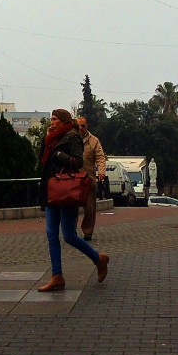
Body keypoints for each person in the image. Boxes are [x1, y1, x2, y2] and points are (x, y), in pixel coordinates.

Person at [37, 109, 108, 292]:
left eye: (54, 119)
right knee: (51, 234)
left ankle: (98, 259)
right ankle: (57, 276)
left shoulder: (72, 137)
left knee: (69, 235)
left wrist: (58, 155)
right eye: (51, 119)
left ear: (64, 121)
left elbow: (77, 162)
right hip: (52, 190)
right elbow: (42, 162)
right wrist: (47, 143)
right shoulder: (51, 137)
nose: (51, 122)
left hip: (66, 191)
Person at [76, 117, 106, 241]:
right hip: (73, 179)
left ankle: (88, 231)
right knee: (71, 207)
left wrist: (101, 171)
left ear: (87, 126)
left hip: (88, 179)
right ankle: (70, 231)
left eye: (83, 126)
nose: (81, 128)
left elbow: (100, 157)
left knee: (89, 208)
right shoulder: (71, 139)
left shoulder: (94, 141)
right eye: (79, 126)